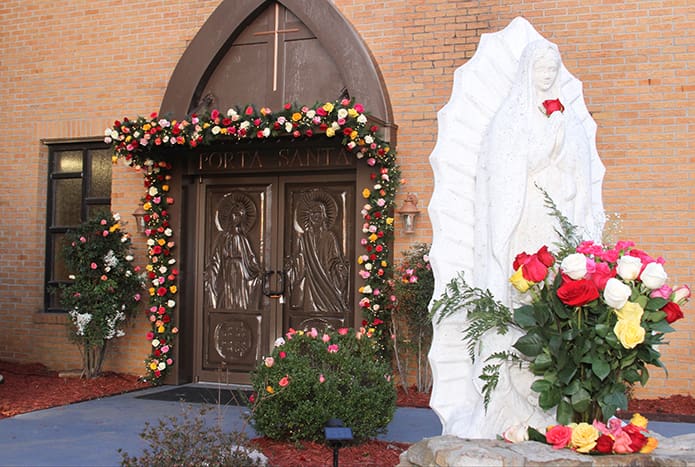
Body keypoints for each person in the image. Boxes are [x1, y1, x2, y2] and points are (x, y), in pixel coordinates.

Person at [286, 190, 349, 314]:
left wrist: (340, 268)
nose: (316, 215)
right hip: (310, 282)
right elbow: (299, 261)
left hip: (326, 280)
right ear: (308, 216)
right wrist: (291, 267)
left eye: (319, 212)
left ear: (324, 215)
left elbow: (335, 260)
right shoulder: (303, 239)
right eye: (312, 213)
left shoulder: (329, 236)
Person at [204, 194, 262, 310]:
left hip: (241, 269)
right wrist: (211, 271)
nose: (235, 218)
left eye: (238, 215)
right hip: (227, 268)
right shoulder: (224, 237)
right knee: (227, 293)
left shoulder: (242, 238)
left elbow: (250, 256)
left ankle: (241, 310)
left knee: (239, 294)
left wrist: (256, 269)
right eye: (234, 214)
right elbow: (216, 257)